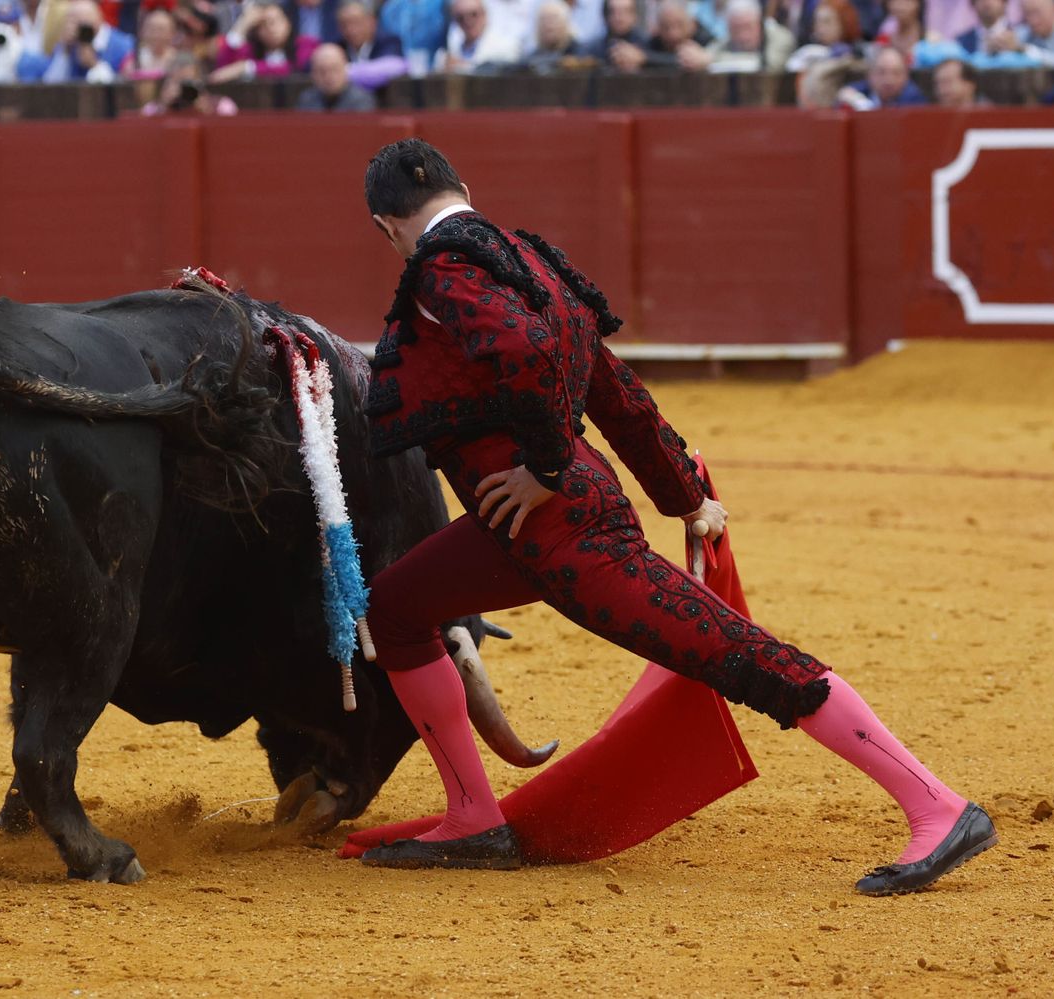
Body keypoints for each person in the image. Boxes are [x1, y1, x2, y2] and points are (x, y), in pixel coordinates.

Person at [352, 139, 999, 897]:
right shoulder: (529, 262)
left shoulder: (443, 271)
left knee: (738, 655)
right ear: (465, 185)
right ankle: (472, 815)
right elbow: (618, 394)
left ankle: (937, 803)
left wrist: (546, 465)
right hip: (524, 530)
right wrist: (685, 498)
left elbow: (525, 354)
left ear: (384, 225)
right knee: (396, 607)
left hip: (567, 530)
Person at [210, 0, 316, 80]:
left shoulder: (305, 44)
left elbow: (295, 69)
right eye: (262, 25)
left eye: (274, 22)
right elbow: (222, 70)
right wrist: (242, 26)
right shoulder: (250, 51)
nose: (270, 28)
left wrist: (247, 67)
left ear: (287, 23)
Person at [43, 0, 134, 81]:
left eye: (77, 22)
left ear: (97, 20)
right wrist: (64, 53)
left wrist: (93, 64)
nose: (71, 28)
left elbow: (124, 90)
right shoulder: (68, 45)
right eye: (69, 21)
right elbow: (50, 86)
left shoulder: (124, 46)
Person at [705, 0, 796, 70]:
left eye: (748, 27)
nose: (743, 36)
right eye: (736, 30)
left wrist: (713, 60)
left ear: (760, 23)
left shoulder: (781, 38)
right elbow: (706, 55)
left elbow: (768, 64)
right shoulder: (727, 39)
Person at [335, 0, 406, 88]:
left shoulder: (389, 42)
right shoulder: (338, 48)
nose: (350, 29)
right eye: (344, 24)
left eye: (356, 22)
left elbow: (396, 66)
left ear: (372, 22)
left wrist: (341, 71)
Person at [139, 51, 239, 112]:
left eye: (188, 83)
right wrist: (164, 107)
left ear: (200, 81)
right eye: (180, 83)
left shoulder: (222, 106)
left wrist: (208, 111)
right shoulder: (153, 109)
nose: (184, 90)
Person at [438, 0, 523, 71]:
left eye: (474, 14)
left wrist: (461, 67)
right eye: (461, 18)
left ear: (484, 14)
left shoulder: (506, 47)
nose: (468, 21)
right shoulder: (448, 53)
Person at [838, 42, 929, 102]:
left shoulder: (915, 100)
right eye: (881, 72)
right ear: (870, 74)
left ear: (906, 76)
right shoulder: (858, 92)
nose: (889, 80)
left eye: (896, 73)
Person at [296, 39, 376, 107]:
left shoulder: (362, 101)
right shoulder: (306, 101)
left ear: (345, 69)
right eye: (322, 72)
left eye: (334, 69)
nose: (328, 77)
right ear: (313, 74)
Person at [784, 0, 861, 69]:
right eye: (817, 22)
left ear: (845, 22)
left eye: (827, 22)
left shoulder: (859, 53)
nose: (820, 28)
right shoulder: (809, 53)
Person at [377, 0, 447, 73]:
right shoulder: (390, 10)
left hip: (435, 69)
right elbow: (385, 42)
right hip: (399, 72)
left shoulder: (439, 4)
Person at [526, 0, 600, 69]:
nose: (548, 25)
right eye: (543, 20)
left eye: (553, 19)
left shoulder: (581, 54)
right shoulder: (532, 59)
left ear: (566, 24)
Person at [644, 0, 714, 69]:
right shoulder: (653, 43)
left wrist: (707, 59)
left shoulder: (705, 38)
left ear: (692, 24)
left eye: (680, 25)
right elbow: (641, 56)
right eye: (666, 27)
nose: (673, 34)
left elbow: (721, 55)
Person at [121, 7, 176, 76]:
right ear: (143, 31)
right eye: (152, 29)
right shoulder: (132, 60)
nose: (156, 34)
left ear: (172, 33)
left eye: (161, 29)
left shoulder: (177, 59)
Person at [604, 0, 652, 71]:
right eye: (613, 12)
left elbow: (669, 60)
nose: (619, 18)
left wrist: (643, 58)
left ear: (635, 15)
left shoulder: (648, 43)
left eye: (625, 11)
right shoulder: (594, 47)